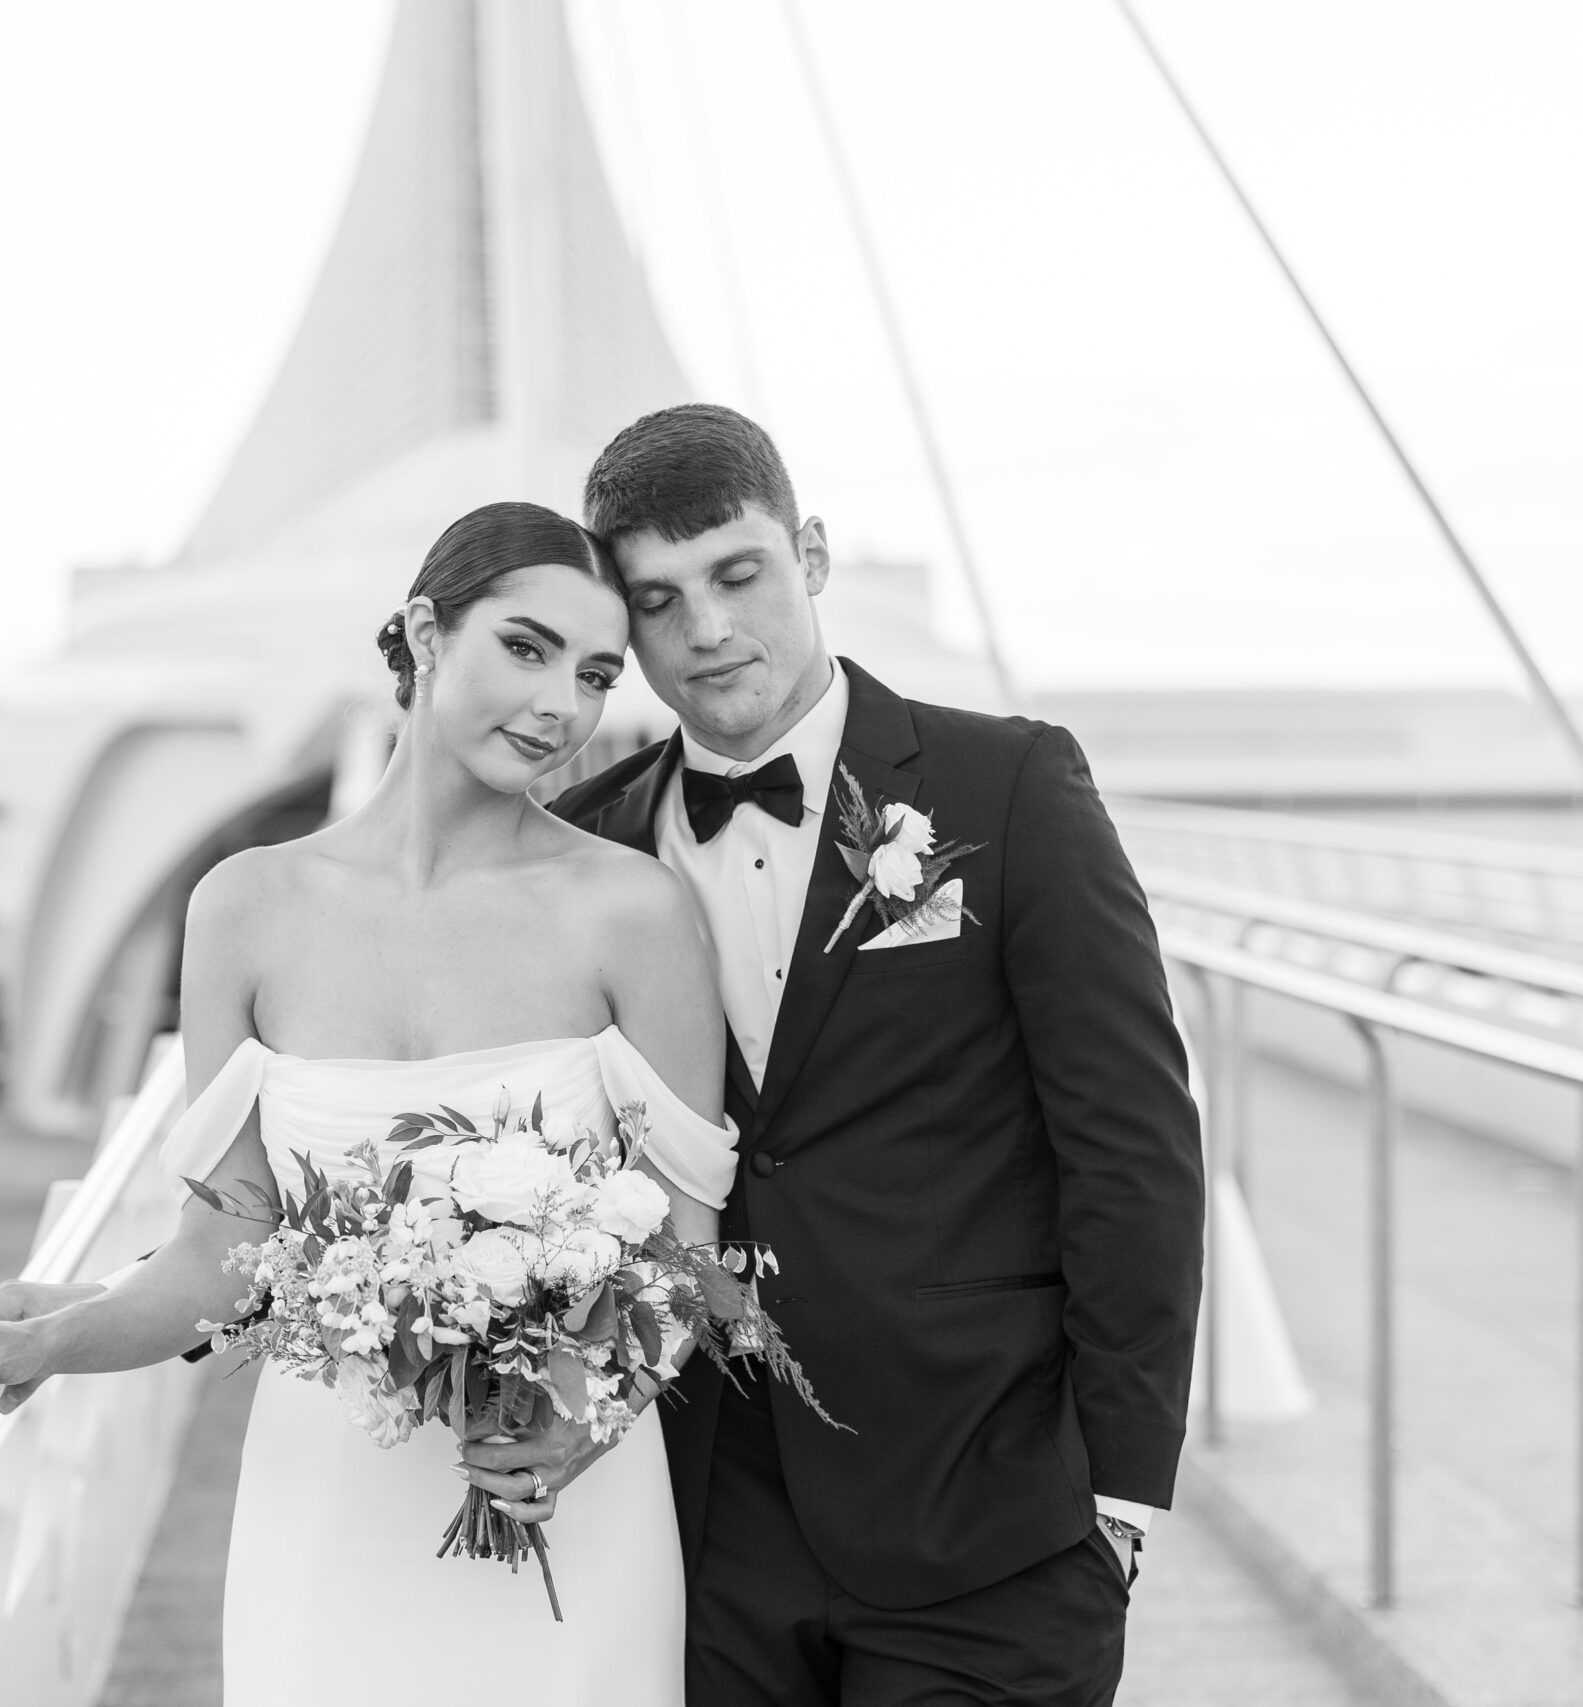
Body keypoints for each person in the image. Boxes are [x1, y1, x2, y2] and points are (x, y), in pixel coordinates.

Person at [0, 501, 740, 1706]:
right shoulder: (242, 908)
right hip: (323, 1510)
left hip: (569, 1511)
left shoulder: (634, 913)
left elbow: (685, 1255)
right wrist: (56, 1334)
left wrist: (585, 1426)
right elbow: (224, 1256)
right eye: (526, 646)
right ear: (423, 631)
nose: (563, 703)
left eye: (597, 672)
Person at [536, 405, 1205, 1707]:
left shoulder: (1009, 787)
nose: (708, 630)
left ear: (814, 555)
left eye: (739, 574)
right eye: (659, 601)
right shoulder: (579, 848)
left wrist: (1121, 1494)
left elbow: (1132, 1141)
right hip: (699, 1525)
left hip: (986, 1512)